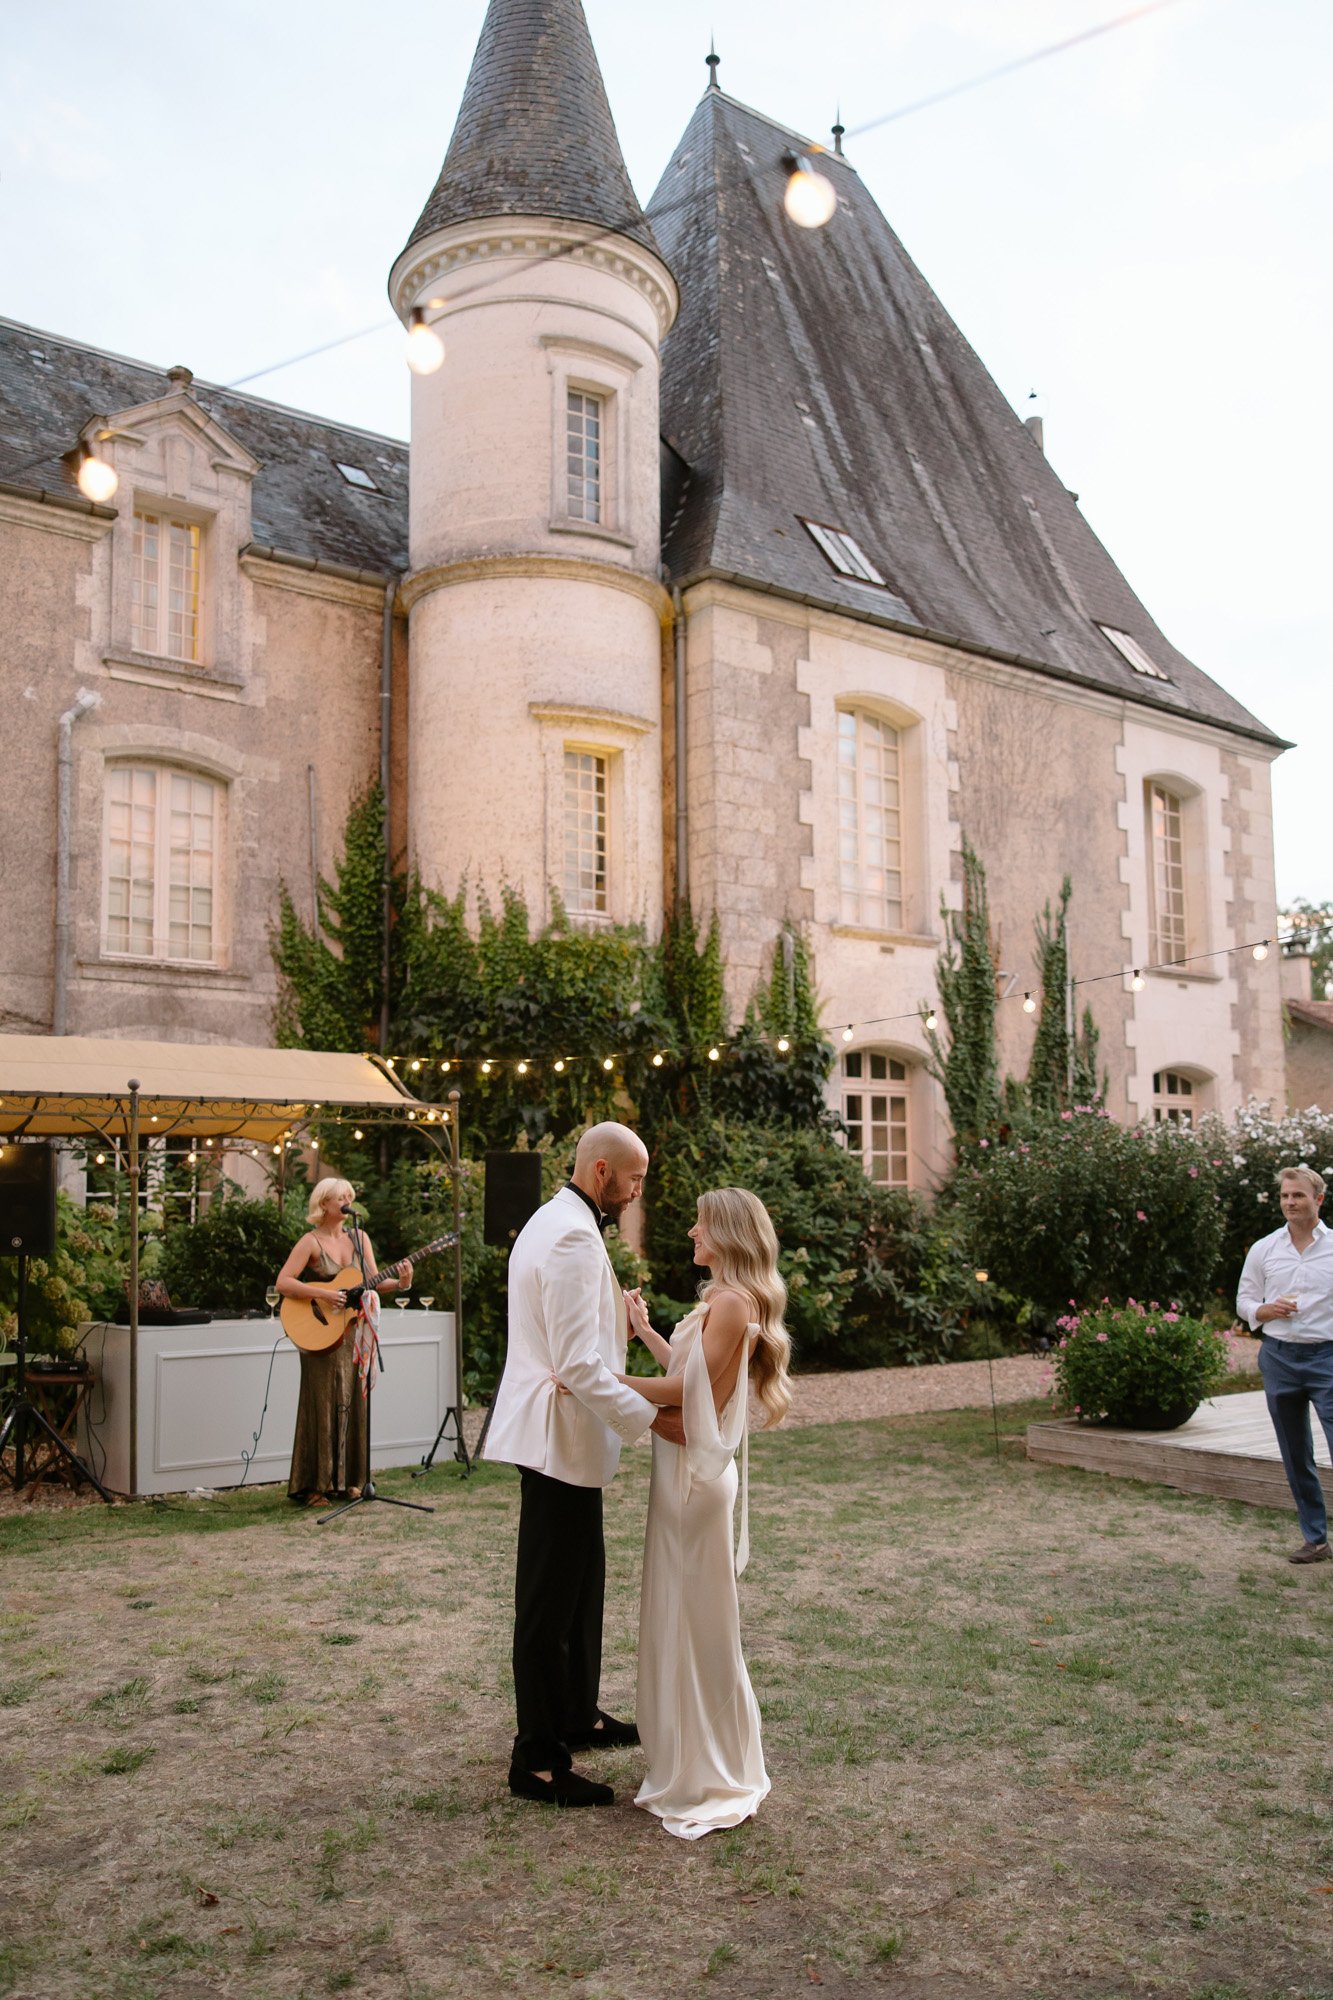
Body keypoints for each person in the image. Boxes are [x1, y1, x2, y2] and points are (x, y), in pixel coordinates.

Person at [483, 1123, 684, 1808]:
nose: (635, 1192)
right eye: (633, 1180)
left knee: (582, 1588)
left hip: (567, 1436)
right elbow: (573, 1363)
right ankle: (536, 1760)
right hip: (556, 1439)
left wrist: (617, 1325)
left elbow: (571, 1335)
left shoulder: (556, 1220)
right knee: (548, 1604)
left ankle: (577, 1715)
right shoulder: (571, 1234)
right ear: (602, 1171)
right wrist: (653, 1418)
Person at [618, 1186, 792, 1839]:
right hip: (685, 1481)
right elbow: (694, 1380)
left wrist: (600, 1380)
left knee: (699, 1629)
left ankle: (710, 1766)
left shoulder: (730, 1303)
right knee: (686, 1623)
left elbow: (680, 1397)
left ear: (723, 1232)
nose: (691, 1230)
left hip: (693, 1484)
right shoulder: (724, 1303)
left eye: (699, 1223)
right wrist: (644, 1335)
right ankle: (692, 1757)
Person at [275, 1177, 412, 1508]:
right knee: (321, 1402)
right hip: (319, 1332)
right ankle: (315, 1485)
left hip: (353, 1332)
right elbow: (283, 1282)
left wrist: (403, 1283)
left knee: (354, 1401)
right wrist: (323, 1293)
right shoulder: (310, 1242)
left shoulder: (359, 1237)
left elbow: (374, 1282)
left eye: (351, 1196)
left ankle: (352, 1480)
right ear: (324, 1204)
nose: (349, 1201)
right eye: (342, 1197)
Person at [1236, 1163, 1333, 1564]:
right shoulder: (1264, 1249)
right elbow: (1243, 1302)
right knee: (1295, 1454)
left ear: (1319, 1199)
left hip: (1327, 1356)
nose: (1290, 1203)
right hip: (1278, 1358)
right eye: (1285, 1196)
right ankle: (1315, 1538)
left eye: (1298, 1195)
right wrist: (1265, 1310)